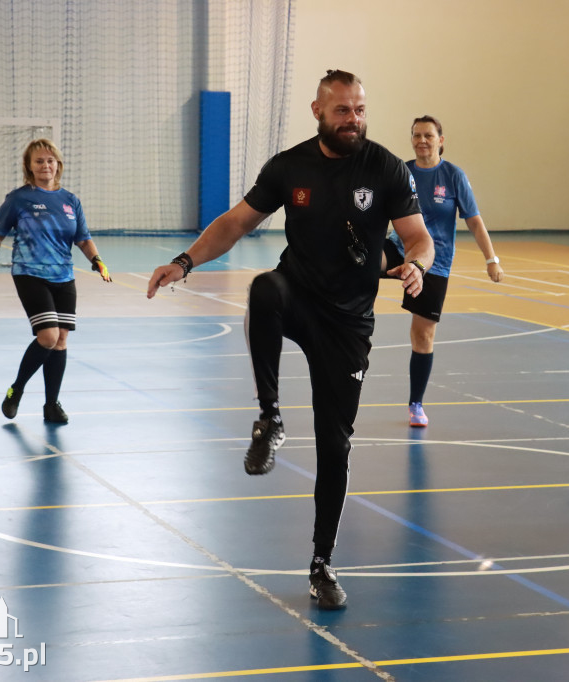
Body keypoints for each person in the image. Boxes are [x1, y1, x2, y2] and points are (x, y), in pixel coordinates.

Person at [146, 69, 434, 609]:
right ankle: (270, 417)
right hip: (299, 296)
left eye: (360, 110)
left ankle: (322, 564)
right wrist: (185, 262)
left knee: (336, 446)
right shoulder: (289, 166)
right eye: (343, 110)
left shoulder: (386, 167)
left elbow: (418, 237)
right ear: (318, 111)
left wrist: (416, 264)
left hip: (349, 323)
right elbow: (235, 224)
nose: (353, 120)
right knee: (265, 291)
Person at [0, 138, 112, 424]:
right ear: (29, 167)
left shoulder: (71, 201)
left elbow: (82, 238)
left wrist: (96, 260)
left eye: (50, 160)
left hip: (64, 275)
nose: (45, 165)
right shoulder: (18, 199)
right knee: (47, 337)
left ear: (58, 164)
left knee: (60, 342)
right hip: (30, 273)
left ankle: (51, 405)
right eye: (39, 161)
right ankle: (16, 390)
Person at [382, 115, 504, 427]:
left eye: (428, 135)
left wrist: (491, 259)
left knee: (422, 333)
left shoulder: (453, 176)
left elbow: (474, 221)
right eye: (416, 135)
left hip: (433, 262)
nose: (422, 140)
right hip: (399, 248)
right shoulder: (402, 172)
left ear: (441, 140)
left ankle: (416, 403)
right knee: (361, 264)